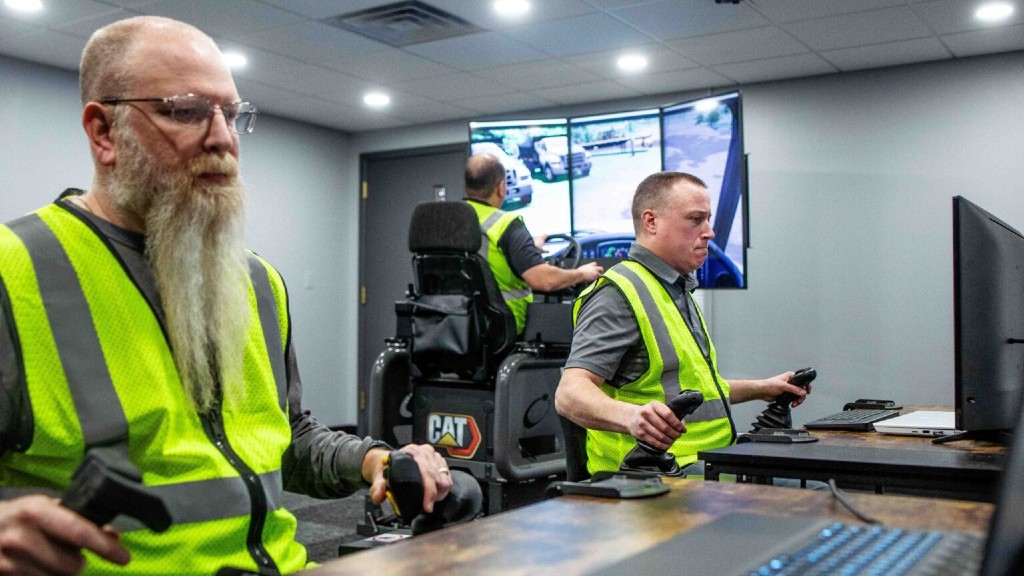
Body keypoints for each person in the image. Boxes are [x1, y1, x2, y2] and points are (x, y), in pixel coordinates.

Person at [0, 16, 456, 575]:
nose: (222, 139)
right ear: (103, 132)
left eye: (232, 115)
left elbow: (283, 441)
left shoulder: (257, 282)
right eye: (185, 111)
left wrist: (373, 457)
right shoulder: (14, 271)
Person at [554, 172, 811, 475]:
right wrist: (633, 418)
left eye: (708, 220)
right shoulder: (619, 293)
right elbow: (569, 394)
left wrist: (762, 388)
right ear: (651, 222)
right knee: (822, 501)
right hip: (655, 479)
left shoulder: (675, 289)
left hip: (708, 467)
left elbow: (693, 392)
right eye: (695, 220)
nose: (709, 232)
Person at [464, 154, 603, 334]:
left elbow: (483, 251)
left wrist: (526, 247)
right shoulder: (506, 225)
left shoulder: (453, 220)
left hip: (460, 326)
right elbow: (544, 280)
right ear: (501, 187)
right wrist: (581, 274)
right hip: (503, 328)